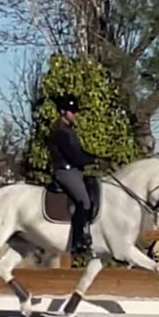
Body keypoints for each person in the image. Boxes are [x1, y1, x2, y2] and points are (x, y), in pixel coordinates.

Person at [46, 92, 111, 255]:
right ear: (63, 112)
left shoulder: (69, 131)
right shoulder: (60, 132)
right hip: (66, 172)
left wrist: (98, 157)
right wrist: (93, 161)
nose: (75, 114)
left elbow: (80, 152)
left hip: (75, 170)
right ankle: (78, 240)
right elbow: (74, 157)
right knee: (85, 201)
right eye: (72, 111)